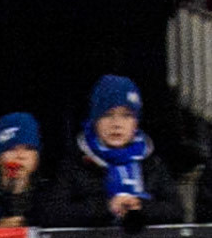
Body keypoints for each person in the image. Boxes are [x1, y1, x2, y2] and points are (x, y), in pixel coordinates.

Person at [43, 75, 183, 229]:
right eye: (107, 115)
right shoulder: (75, 164)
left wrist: (140, 206)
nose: (117, 124)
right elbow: (54, 214)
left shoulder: (152, 163)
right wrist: (107, 207)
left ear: (136, 122)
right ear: (94, 120)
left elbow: (176, 211)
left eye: (126, 116)